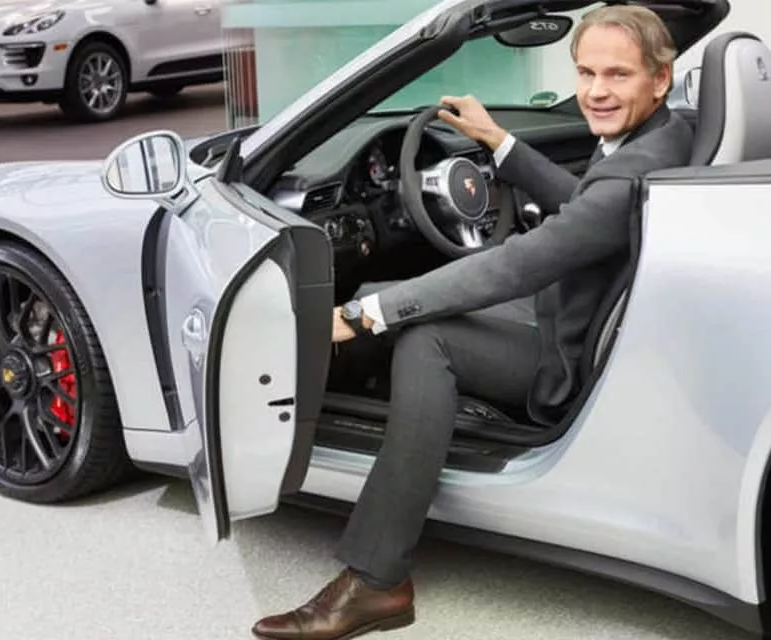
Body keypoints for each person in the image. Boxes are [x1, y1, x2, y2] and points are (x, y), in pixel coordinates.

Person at [252, 5, 694, 639]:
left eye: (618, 75)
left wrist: (357, 316)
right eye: (586, 72)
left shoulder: (633, 169)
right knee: (386, 292)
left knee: (424, 337)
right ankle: (342, 418)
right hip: (568, 312)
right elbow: (585, 206)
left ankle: (377, 581)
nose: (596, 91)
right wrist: (498, 142)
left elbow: (517, 265)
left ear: (660, 77)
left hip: (564, 357)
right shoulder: (665, 135)